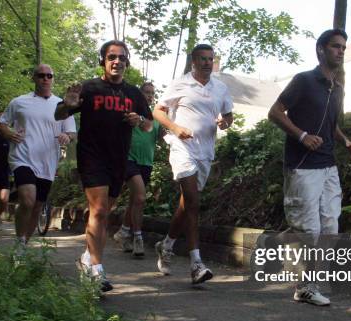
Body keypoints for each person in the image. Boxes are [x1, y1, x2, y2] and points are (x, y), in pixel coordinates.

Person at [268, 29, 351, 306]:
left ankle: (308, 283)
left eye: (343, 47)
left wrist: (345, 140)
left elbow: (331, 123)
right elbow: (274, 112)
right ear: (321, 49)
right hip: (302, 165)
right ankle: (299, 274)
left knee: (330, 226)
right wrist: (302, 135)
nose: (341, 51)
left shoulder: (337, 87)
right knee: (310, 230)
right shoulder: (304, 81)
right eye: (335, 46)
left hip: (328, 164)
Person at [55, 40, 153, 292]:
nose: (116, 61)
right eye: (111, 57)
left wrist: (138, 118)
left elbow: (148, 124)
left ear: (127, 62)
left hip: (118, 159)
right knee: (98, 210)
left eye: (121, 57)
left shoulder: (133, 94)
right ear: (103, 60)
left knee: (103, 213)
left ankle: (86, 259)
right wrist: (68, 103)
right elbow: (59, 115)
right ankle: (97, 271)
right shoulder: (89, 87)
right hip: (92, 156)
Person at [153, 43, 233, 284]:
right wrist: (176, 128)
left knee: (187, 203)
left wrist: (225, 123)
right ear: (194, 62)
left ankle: (166, 245)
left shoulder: (220, 88)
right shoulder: (181, 83)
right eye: (203, 59)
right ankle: (196, 263)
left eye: (211, 59)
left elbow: (228, 115)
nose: (208, 62)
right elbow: (158, 111)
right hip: (182, 148)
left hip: (205, 151)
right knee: (194, 201)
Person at [0, 64, 76, 255]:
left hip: (47, 162)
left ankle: (23, 244)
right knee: (27, 199)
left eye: (49, 75)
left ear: (53, 78)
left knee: (37, 205)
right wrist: (9, 134)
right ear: (34, 78)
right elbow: (1, 123)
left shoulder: (62, 105)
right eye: (41, 75)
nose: (45, 79)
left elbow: (72, 131)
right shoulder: (19, 102)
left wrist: (67, 137)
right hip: (22, 157)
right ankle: (19, 241)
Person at [112, 82, 163, 258]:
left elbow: (162, 139)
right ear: (139, 94)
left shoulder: (155, 117)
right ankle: (137, 237)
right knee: (140, 197)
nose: (149, 96)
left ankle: (123, 233)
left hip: (146, 162)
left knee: (135, 200)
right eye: (146, 92)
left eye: (152, 93)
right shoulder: (131, 112)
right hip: (128, 159)